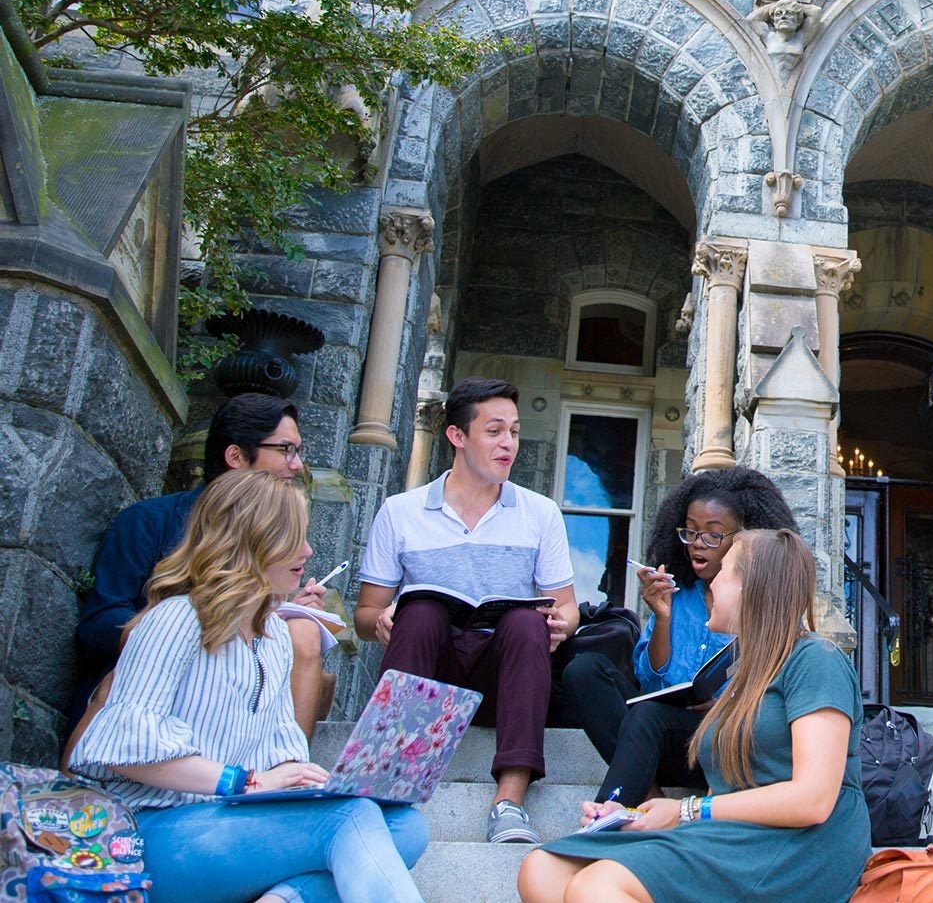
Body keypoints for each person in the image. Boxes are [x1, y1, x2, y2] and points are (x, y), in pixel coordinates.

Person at [67, 468, 429, 903]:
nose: (308, 550)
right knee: (346, 821)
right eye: (294, 537)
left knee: (405, 826)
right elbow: (121, 750)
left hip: (228, 823)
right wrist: (246, 782)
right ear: (252, 543)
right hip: (147, 833)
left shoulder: (274, 637)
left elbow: (278, 752)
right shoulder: (175, 619)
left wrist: (315, 780)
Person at [520, 527, 870, 903]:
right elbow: (724, 787)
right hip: (730, 834)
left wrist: (685, 811)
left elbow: (813, 800)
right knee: (541, 869)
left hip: (802, 845)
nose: (711, 585)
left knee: (597, 886)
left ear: (750, 589)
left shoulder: (816, 660)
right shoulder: (743, 673)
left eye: (723, 573)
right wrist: (633, 819)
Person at [353, 376, 580, 845]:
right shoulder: (401, 511)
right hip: (429, 672)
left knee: (524, 620)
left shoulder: (540, 513)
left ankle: (510, 803)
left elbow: (568, 608)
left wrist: (561, 623)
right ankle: (389, 790)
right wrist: (381, 618)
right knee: (419, 613)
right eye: (495, 431)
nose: (508, 444)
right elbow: (364, 614)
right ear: (457, 436)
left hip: (504, 680)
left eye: (514, 432)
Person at [73, 392, 336, 741]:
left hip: (233, 701)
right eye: (285, 449)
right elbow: (98, 623)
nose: (297, 465)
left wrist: (277, 610)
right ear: (236, 456)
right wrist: (189, 630)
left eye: (298, 452)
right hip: (148, 699)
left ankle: (290, 771)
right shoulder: (150, 522)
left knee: (303, 633)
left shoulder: (274, 539)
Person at [556, 467, 798, 808]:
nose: (698, 543)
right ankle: (648, 794)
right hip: (659, 735)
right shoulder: (677, 594)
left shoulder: (766, 605)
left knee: (648, 717)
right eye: (691, 531)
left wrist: (729, 706)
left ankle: (611, 812)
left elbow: (782, 697)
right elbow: (651, 684)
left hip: (727, 745)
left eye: (713, 534)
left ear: (745, 538)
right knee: (584, 671)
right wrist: (663, 616)